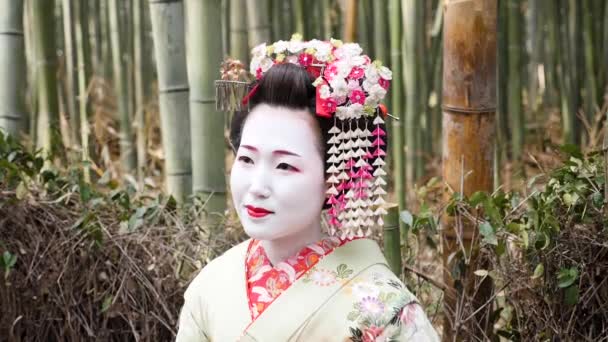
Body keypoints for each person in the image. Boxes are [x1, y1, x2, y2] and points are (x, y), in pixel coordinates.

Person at [176, 36, 439, 341]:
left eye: (285, 166)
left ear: (334, 179)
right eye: (246, 158)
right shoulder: (212, 286)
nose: (257, 186)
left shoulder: (385, 314)